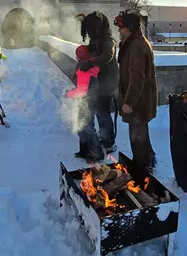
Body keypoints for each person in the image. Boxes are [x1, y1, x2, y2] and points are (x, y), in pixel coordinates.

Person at [114, 10, 158, 172]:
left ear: (130, 28)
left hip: (139, 100)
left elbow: (137, 78)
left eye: (122, 27)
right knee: (141, 131)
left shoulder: (136, 46)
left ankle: (142, 167)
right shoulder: (134, 42)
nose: (119, 30)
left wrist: (129, 102)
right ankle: (149, 158)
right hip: (140, 98)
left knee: (136, 135)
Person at [78, 11, 119, 153]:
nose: (89, 33)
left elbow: (108, 56)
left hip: (107, 82)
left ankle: (108, 142)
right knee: (97, 112)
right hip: (96, 82)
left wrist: (90, 62)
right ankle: (102, 139)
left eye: (90, 29)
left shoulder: (109, 40)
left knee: (103, 113)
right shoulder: (95, 41)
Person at [66, 45, 104, 163]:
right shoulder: (89, 65)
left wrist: (68, 95)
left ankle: (97, 153)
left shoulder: (84, 68)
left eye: (78, 55)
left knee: (87, 127)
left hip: (87, 101)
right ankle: (84, 151)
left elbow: (82, 90)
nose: (76, 57)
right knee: (82, 125)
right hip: (89, 99)